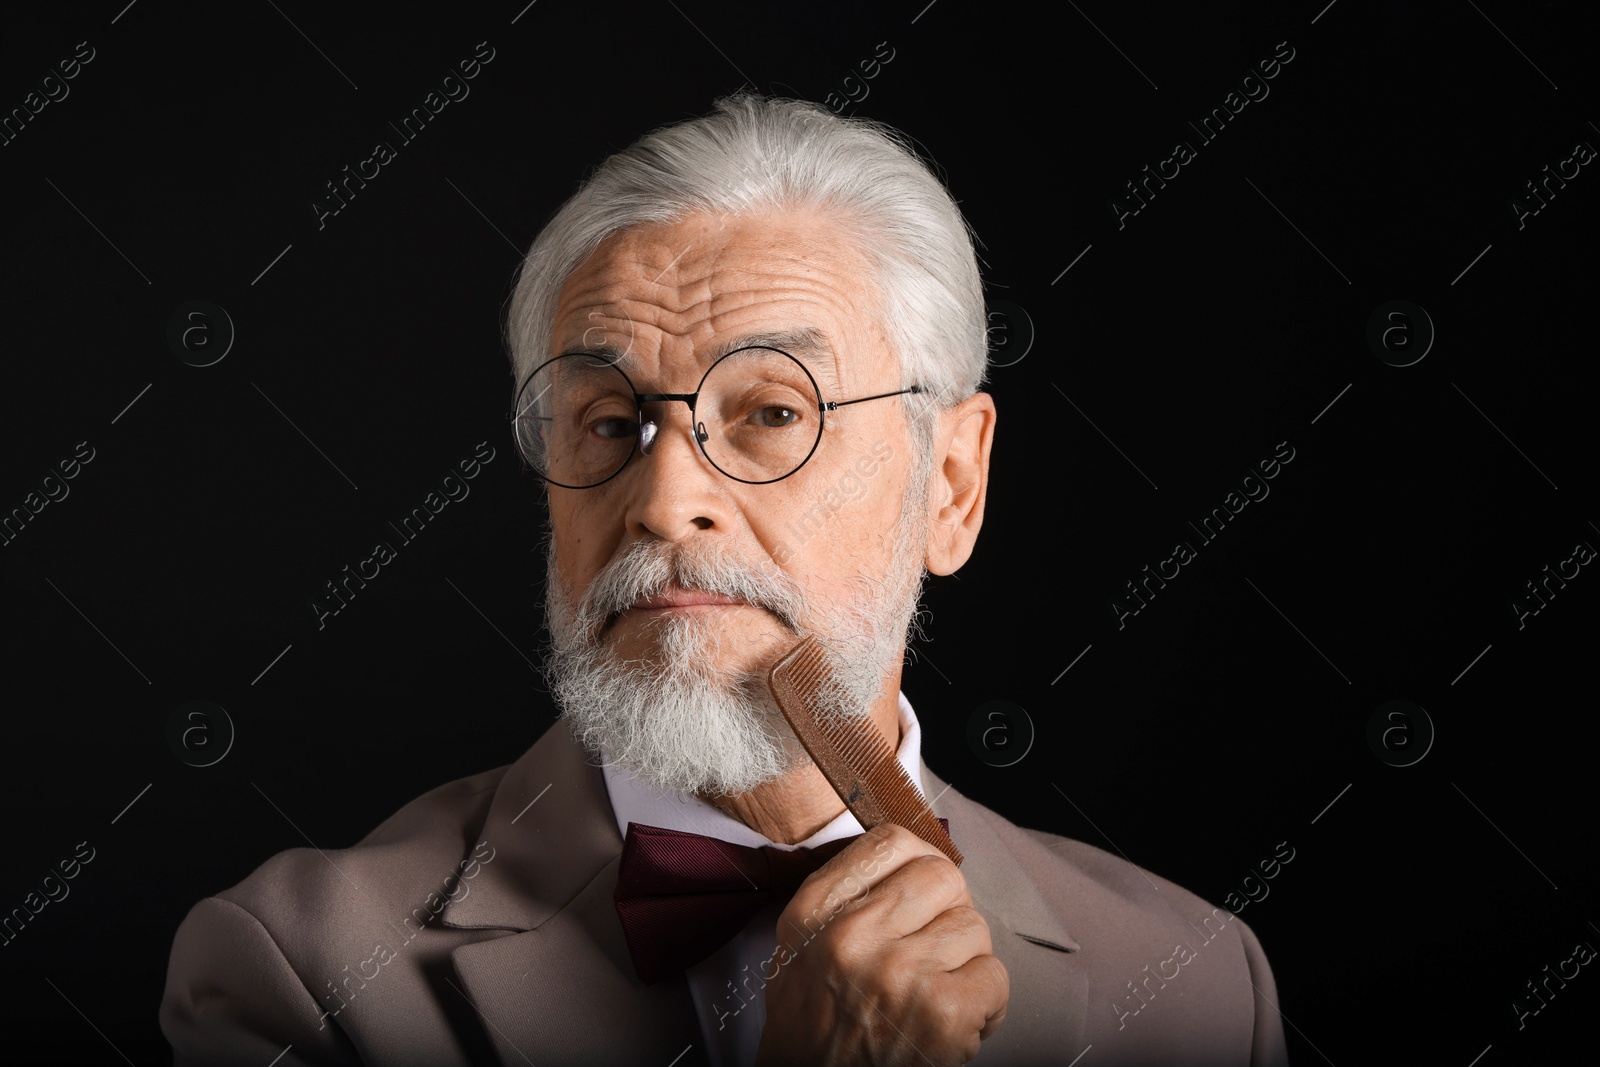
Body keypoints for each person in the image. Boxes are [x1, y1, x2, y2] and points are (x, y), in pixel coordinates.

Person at [161, 92, 1289, 1066]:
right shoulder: (300, 971)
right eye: (607, 421)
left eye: (770, 412)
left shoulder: (1194, 987)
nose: (660, 500)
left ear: (948, 485)